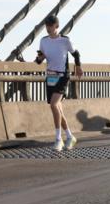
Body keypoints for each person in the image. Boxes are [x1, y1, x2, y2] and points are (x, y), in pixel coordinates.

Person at [34, 15, 83, 151]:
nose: (48, 29)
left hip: (63, 76)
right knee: (57, 109)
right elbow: (38, 60)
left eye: (50, 26)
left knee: (54, 105)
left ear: (56, 26)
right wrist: (40, 58)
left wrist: (78, 67)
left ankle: (58, 139)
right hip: (50, 77)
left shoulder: (65, 40)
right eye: (46, 26)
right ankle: (70, 136)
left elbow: (76, 54)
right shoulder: (43, 41)